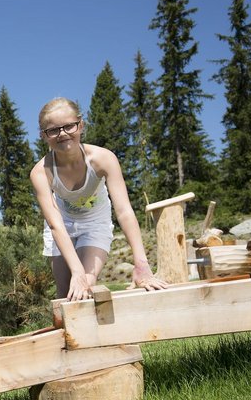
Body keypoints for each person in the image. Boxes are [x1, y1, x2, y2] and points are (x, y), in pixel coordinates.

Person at [29, 97, 167, 301]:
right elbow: (55, 224)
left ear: (81, 125)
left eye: (69, 126)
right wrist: (75, 272)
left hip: (95, 223)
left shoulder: (104, 159)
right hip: (62, 225)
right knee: (65, 292)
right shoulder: (41, 172)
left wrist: (141, 264)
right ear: (44, 135)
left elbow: (124, 211)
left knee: (85, 283)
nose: (63, 134)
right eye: (54, 130)